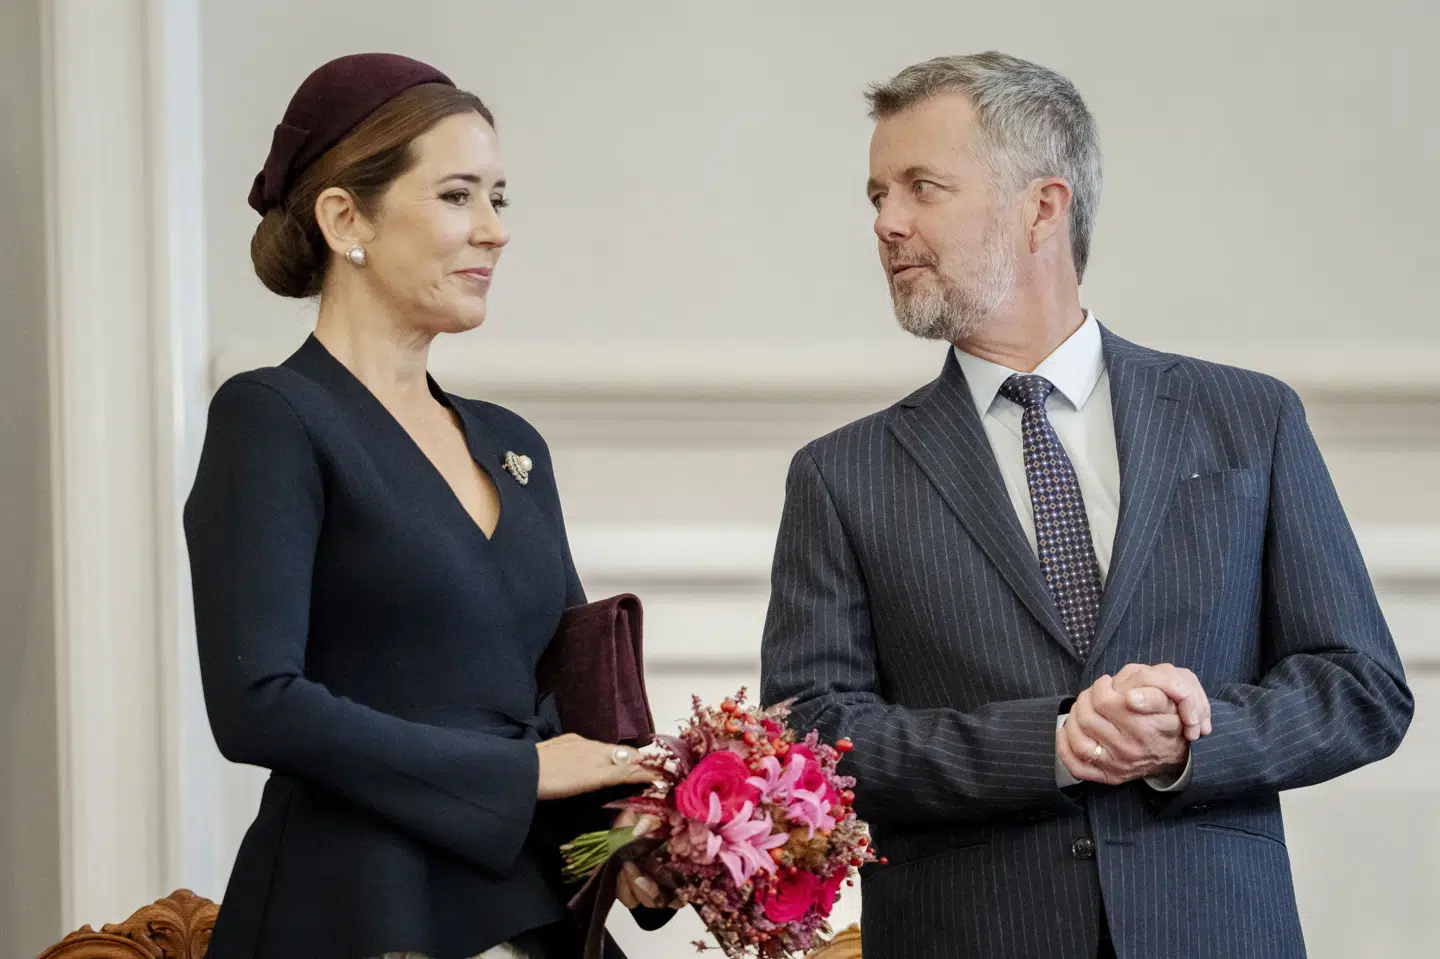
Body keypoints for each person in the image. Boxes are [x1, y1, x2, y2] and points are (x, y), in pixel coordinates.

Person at [759, 51, 1413, 959]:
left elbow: (1361, 687)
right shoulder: (841, 473)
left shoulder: (1248, 417)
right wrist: (1056, 743)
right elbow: (811, 737)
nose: (888, 222)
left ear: (1042, 206)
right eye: (877, 195)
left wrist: (1185, 739)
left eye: (922, 187)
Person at [185, 53, 669, 959]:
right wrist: (525, 771)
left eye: (500, 198)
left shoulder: (511, 441)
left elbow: (557, 699)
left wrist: (636, 825)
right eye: (458, 196)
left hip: (529, 905)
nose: (494, 231)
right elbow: (256, 703)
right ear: (344, 218)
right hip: (356, 905)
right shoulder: (273, 417)